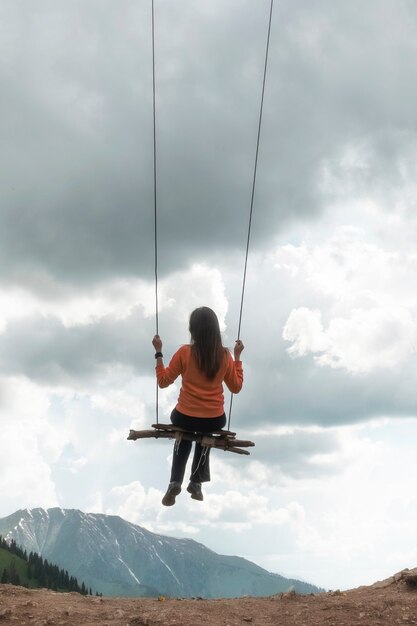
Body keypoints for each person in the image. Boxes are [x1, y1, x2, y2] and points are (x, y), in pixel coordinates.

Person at [152, 306, 244, 506]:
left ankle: (175, 481)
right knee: (206, 433)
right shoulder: (225, 356)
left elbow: (163, 381)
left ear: (192, 329)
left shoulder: (185, 352)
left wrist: (159, 353)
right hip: (214, 418)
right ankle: (196, 482)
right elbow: (236, 387)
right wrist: (237, 358)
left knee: (183, 431)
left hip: (185, 415)